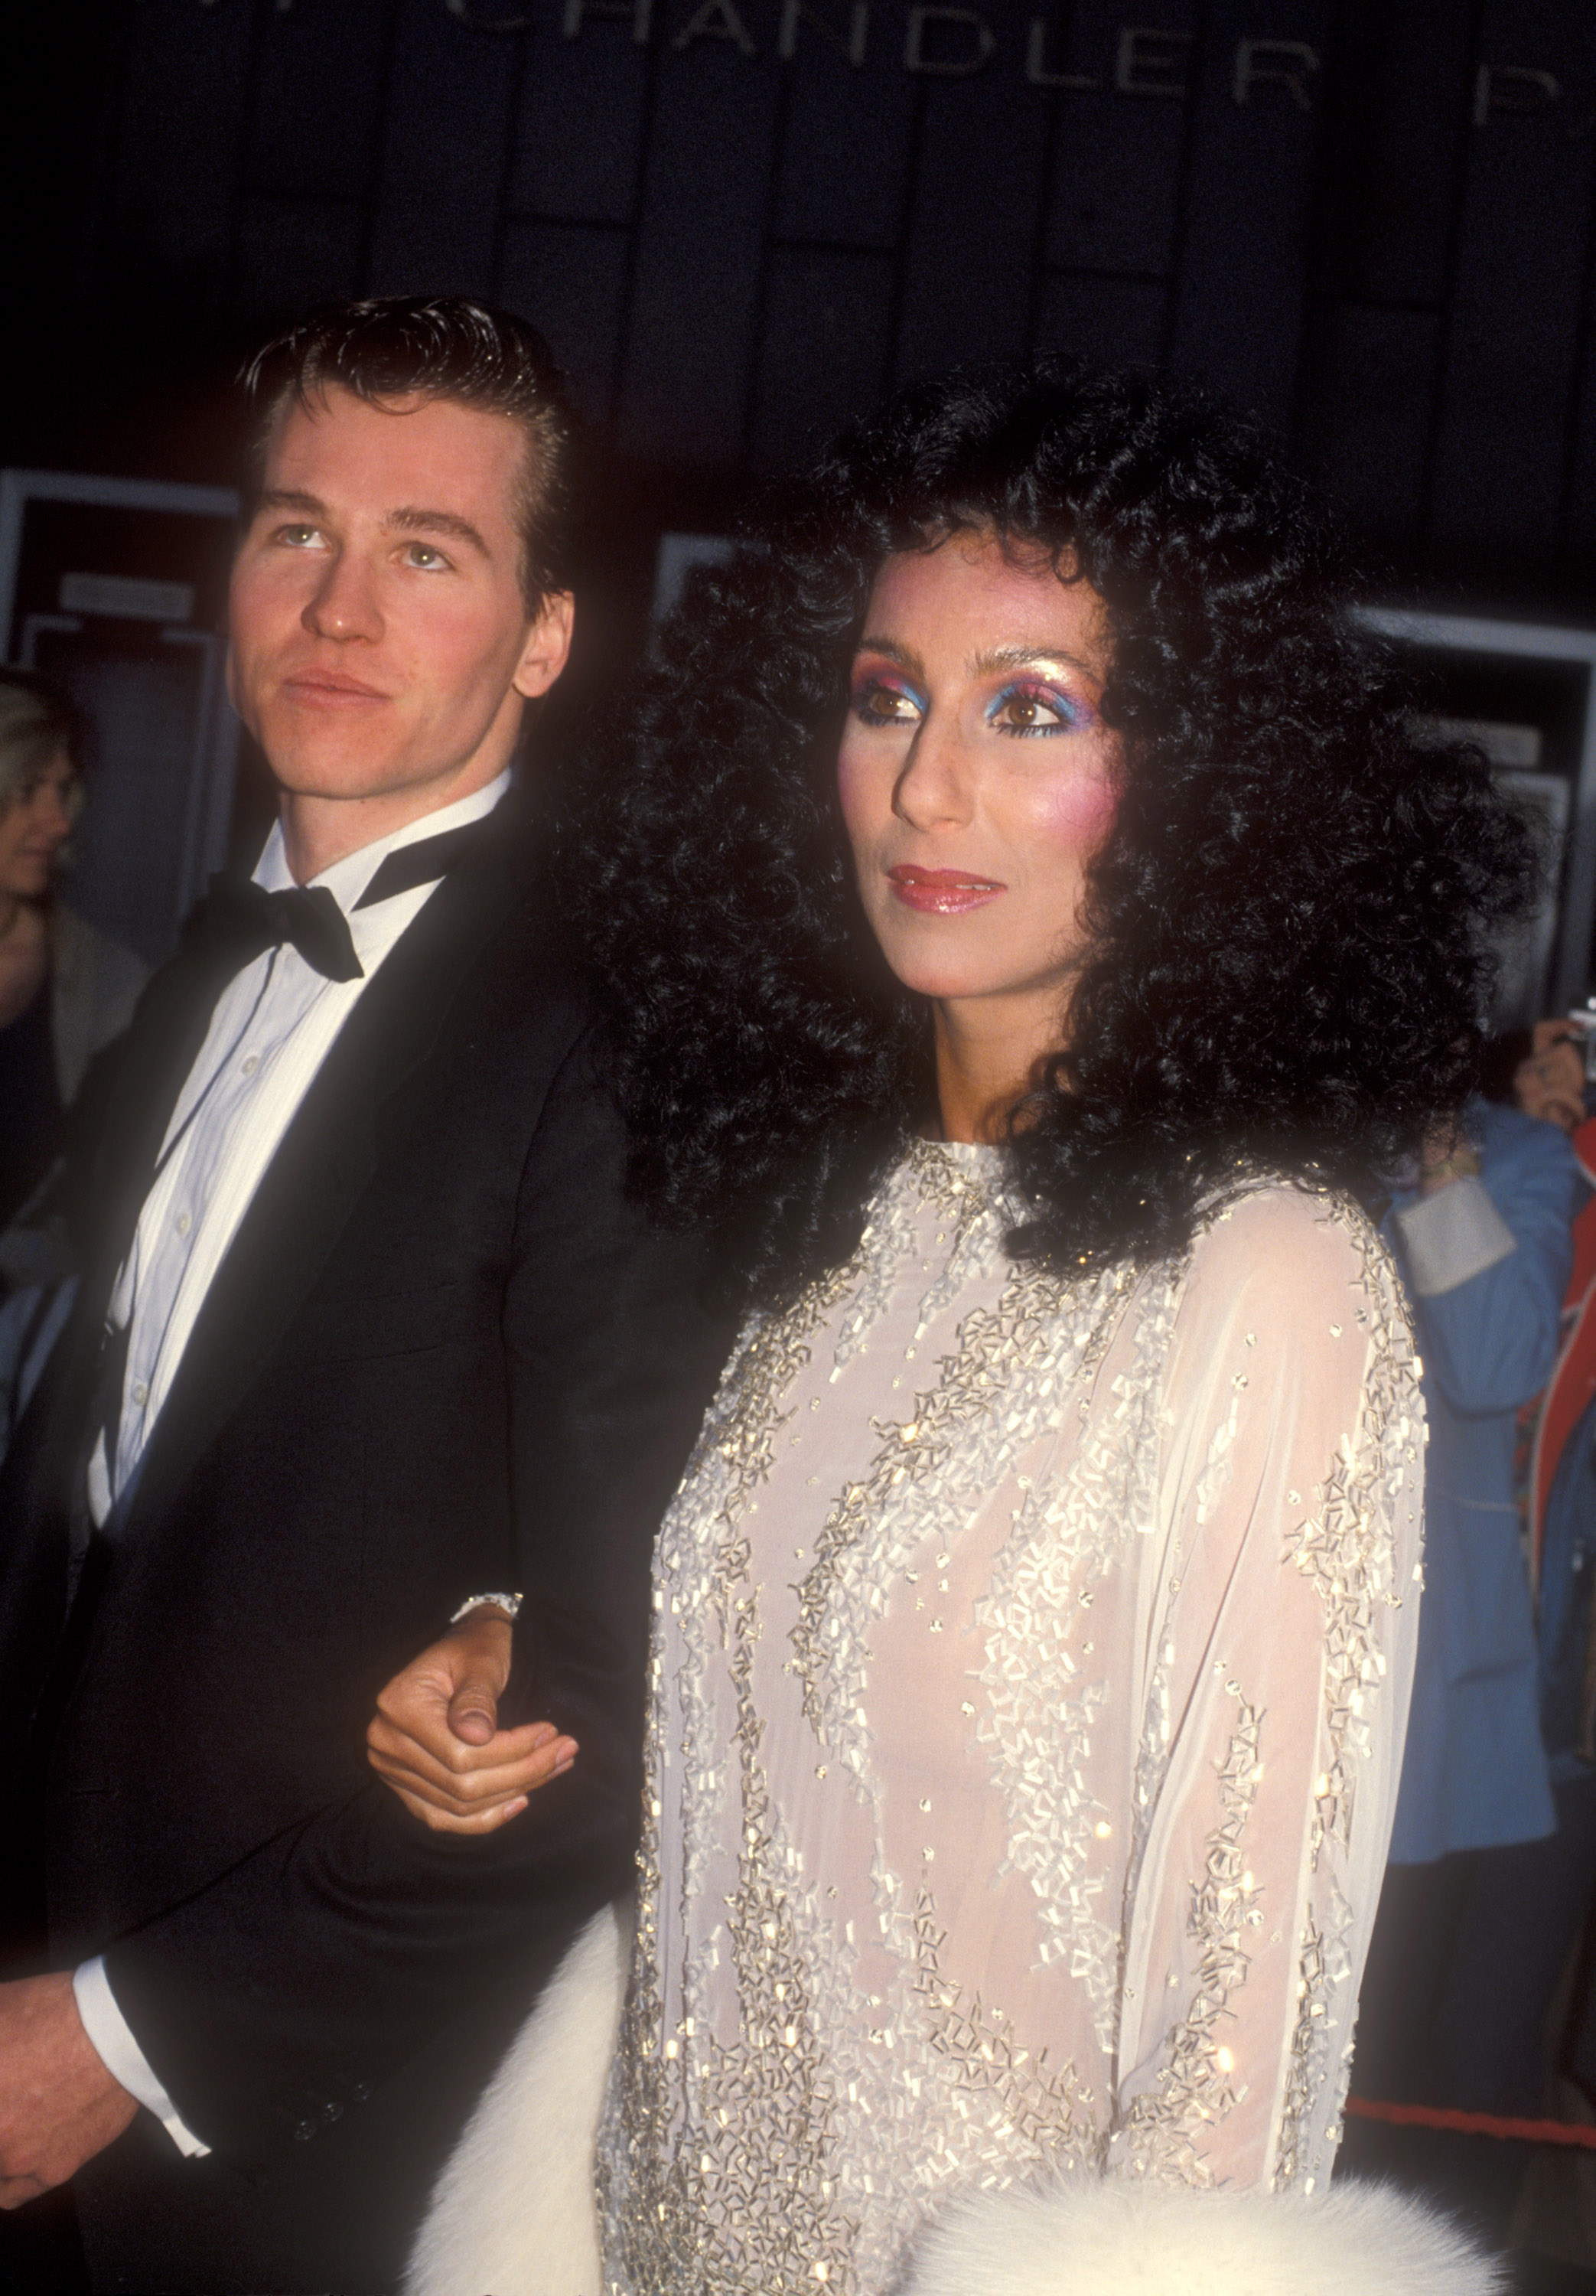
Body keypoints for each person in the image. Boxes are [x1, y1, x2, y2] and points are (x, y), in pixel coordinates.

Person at [368, 364, 1529, 2295]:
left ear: (1202, 787)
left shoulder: (1268, 1274)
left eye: (1033, 710)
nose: (925, 785)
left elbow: (1244, 2034)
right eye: (888, 693)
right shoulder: (819, 1214)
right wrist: (515, 1630)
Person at [0, 296, 737, 2296]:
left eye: (429, 550)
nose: (336, 603)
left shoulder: (623, 1035)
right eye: (294, 529)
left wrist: (133, 2038)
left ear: (548, 636)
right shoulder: (182, 989)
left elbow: (609, 1694)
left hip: (325, 2139)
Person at [0, 670, 146, 1231]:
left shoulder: (110, 984)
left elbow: (105, 1197)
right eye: (27, 791)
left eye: (62, 791)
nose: (58, 822)